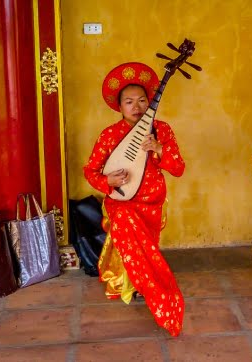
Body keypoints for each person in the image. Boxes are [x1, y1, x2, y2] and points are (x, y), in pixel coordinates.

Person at [83, 62, 186, 337]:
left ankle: (141, 285)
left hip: (152, 204)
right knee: (137, 246)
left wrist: (160, 149)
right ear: (120, 106)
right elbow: (91, 171)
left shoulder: (161, 129)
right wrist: (108, 183)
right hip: (122, 203)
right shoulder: (109, 135)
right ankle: (154, 293)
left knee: (147, 250)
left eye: (142, 100)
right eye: (129, 101)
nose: (137, 106)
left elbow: (178, 168)